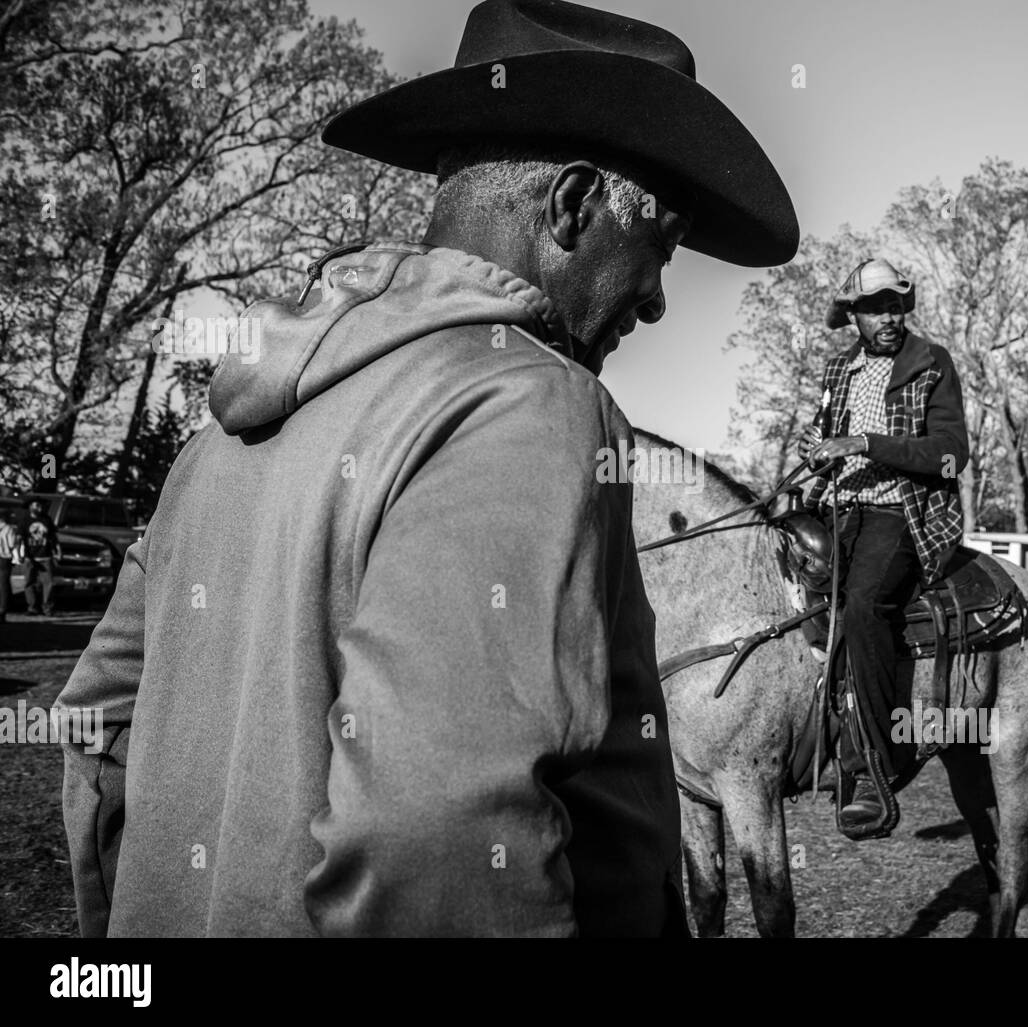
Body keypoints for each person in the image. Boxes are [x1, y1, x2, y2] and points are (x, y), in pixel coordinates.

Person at [55, 0, 797, 937]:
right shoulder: (531, 404)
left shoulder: (215, 441)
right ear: (572, 206)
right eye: (661, 246)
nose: (654, 300)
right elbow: (444, 850)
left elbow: (96, 738)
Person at [797, 258, 968, 838]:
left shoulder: (931, 363)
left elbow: (950, 454)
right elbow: (829, 435)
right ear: (855, 317)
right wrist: (817, 450)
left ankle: (869, 769)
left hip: (904, 513)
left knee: (864, 607)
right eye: (875, 308)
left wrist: (867, 442)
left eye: (895, 305)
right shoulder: (838, 369)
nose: (888, 317)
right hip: (838, 509)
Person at [21, 499, 57, 618]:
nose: (39, 507)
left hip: (45, 557)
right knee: (29, 583)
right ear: (31, 507)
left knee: (49, 583)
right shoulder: (25, 521)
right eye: (36, 505)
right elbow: (20, 538)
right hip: (29, 557)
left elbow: (53, 537)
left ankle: (47, 608)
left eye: (40, 505)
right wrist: (22, 554)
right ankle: (32, 608)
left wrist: (56, 550)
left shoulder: (47, 520)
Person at [0, 507, 20, 624]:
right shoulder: (8, 529)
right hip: (4, 559)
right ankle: (3, 610)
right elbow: (12, 544)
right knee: (4, 585)